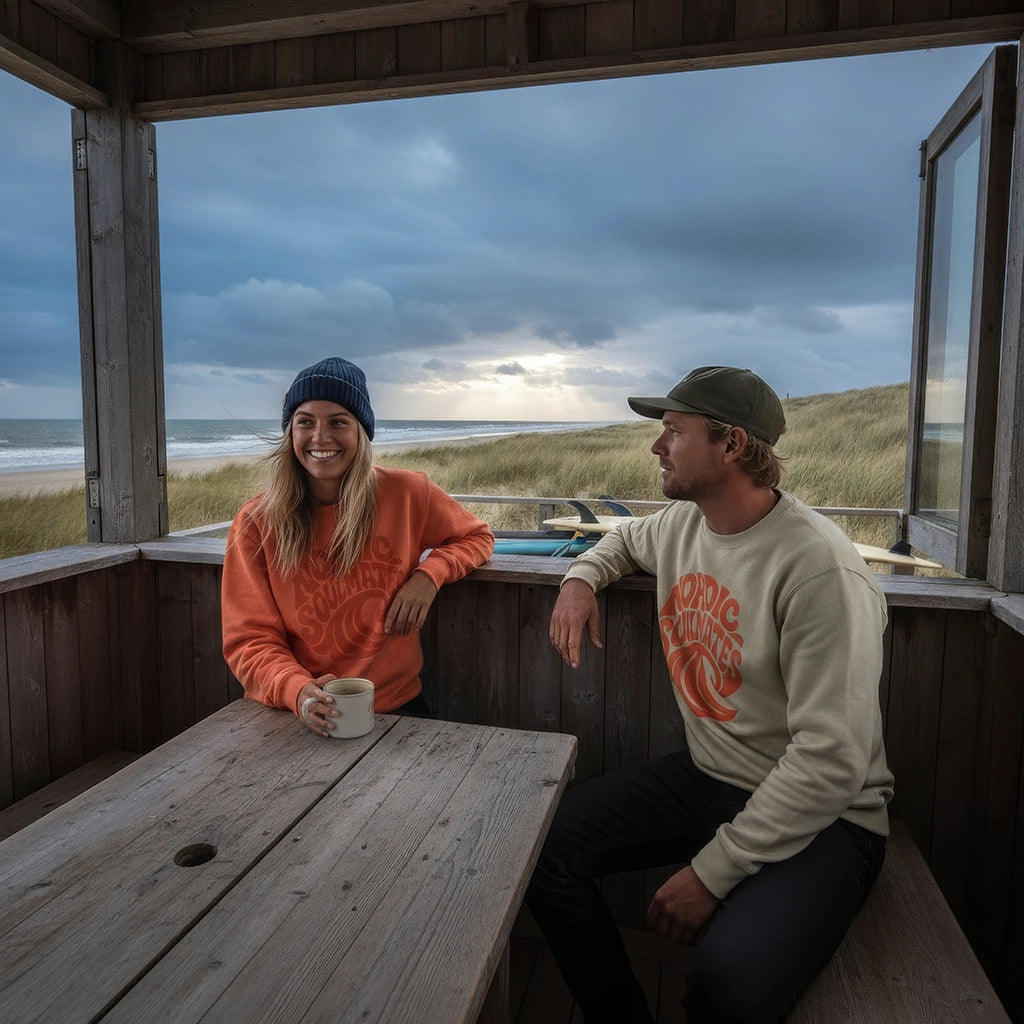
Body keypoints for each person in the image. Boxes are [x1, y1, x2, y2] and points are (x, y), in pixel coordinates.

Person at [528, 365, 894, 1023]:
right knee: (544, 852)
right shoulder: (681, 525)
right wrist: (578, 581)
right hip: (709, 778)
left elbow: (831, 762)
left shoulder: (821, 571)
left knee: (727, 984)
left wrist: (713, 872)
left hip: (828, 817)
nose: (656, 446)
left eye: (673, 431)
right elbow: (620, 541)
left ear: (731, 445)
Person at [221, 356, 494, 735]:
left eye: (337, 422)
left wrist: (429, 575)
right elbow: (249, 641)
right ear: (290, 432)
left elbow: (477, 537)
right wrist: (297, 691)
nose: (320, 437)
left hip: (397, 710)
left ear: (361, 432)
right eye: (305, 422)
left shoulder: (407, 492)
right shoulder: (256, 522)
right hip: (293, 713)